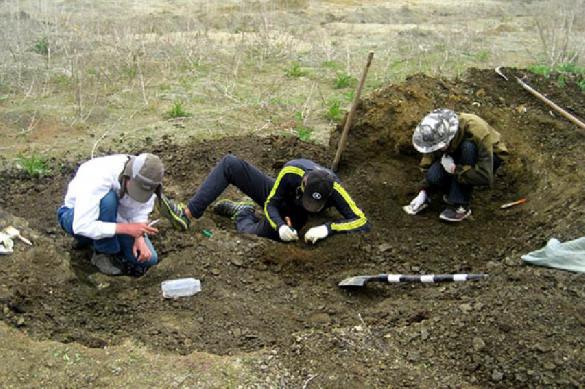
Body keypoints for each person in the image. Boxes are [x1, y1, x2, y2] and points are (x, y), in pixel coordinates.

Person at [159, 155, 370, 243]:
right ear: (303, 183)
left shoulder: (336, 189)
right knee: (231, 164)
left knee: (253, 233)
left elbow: (361, 220)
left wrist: (328, 228)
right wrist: (279, 224)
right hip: (282, 199)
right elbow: (272, 202)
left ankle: (243, 214)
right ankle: (187, 214)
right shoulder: (292, 171)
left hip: (300, 217)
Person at [57, 153, 163, 276]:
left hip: (117, 219)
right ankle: (103, 252)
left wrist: (139, 236)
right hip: (76, 216)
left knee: (149, 259)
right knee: (108, 200)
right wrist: (127, 229)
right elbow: (81, 225)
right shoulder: (99, 176)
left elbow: (140, 211)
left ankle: (94, 241)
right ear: (128, 176)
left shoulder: (149, 178)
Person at [404, 108, 508, 222]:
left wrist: (455, 170)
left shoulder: (477, 132)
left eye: (440, 146)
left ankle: (460, 205)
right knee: (433, 176)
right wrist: (424, 192)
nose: (437, 149)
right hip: (457, 155)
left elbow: (485, 176)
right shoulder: (436, 132)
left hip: (489, 158)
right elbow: (427, 163)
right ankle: (449, 190)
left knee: (468, 148)